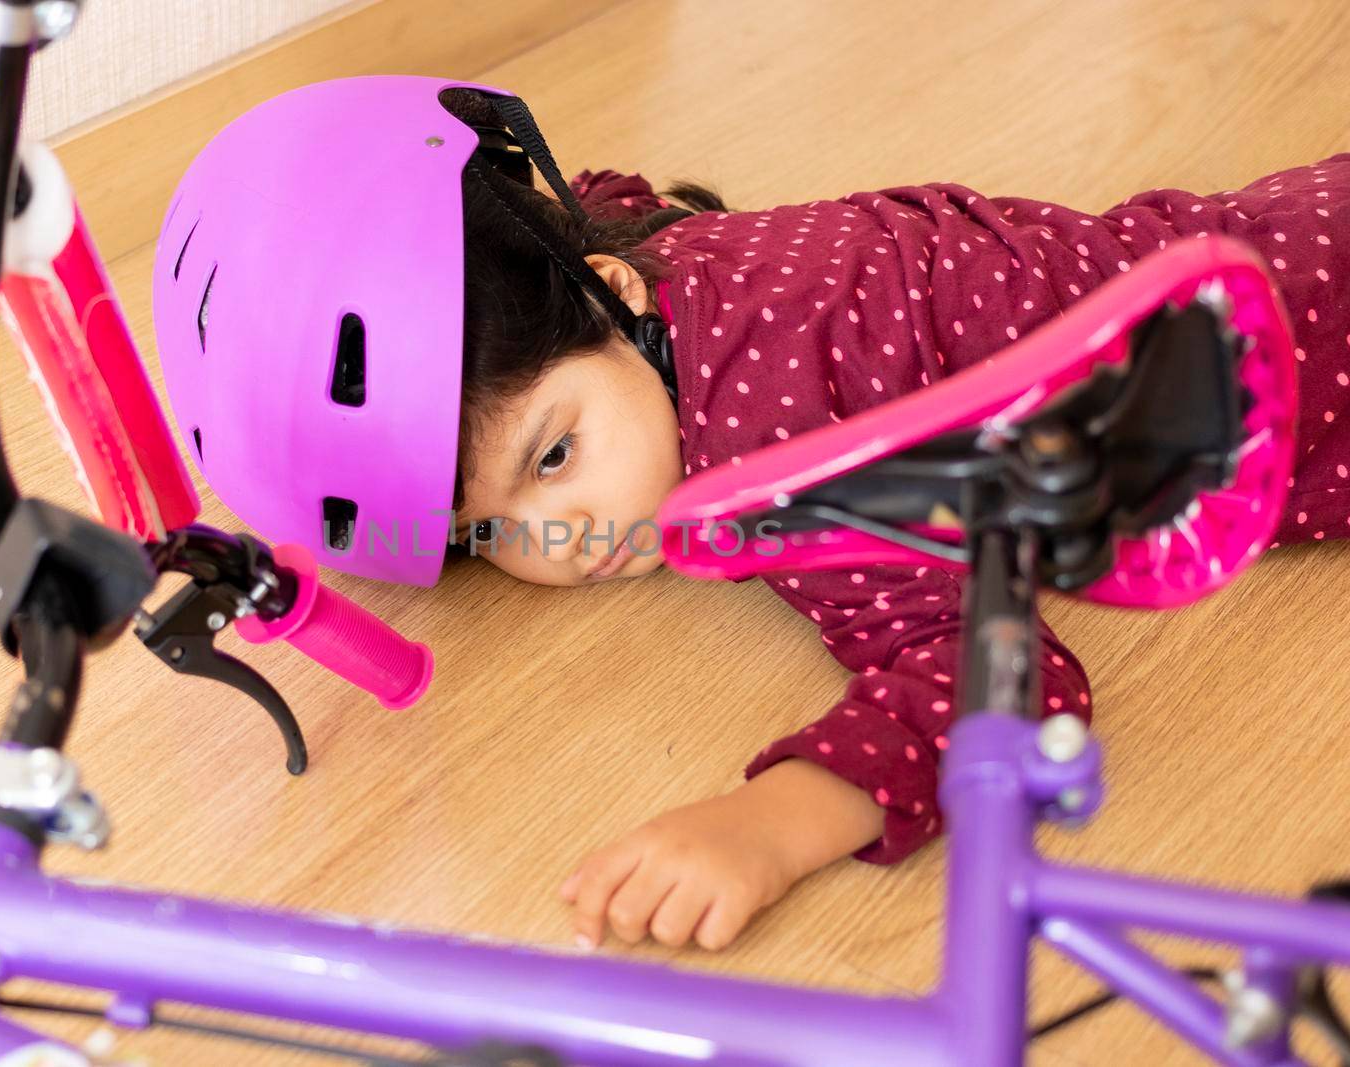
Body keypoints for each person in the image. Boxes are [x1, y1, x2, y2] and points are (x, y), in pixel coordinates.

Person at [152, 76, 1350, 952]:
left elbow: (1003, 674)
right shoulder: (649, 256)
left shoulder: (783, 425)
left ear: (610, 294)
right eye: (484, 534)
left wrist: (770, 824)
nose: (554, 540)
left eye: (555, 454)